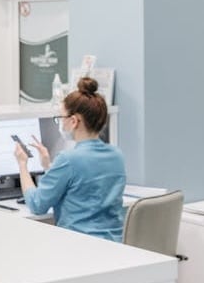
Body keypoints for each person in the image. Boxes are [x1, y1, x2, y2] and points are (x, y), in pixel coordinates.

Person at [14, 77, 125, 241]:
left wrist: (22, 165)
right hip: (112, 247)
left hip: (79, 249)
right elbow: (81, 189)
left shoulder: (68, 159)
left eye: (61, 117)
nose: (60, 123)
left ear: (74, 121)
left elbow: (37, 205)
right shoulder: (116, 155)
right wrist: (48, 166)